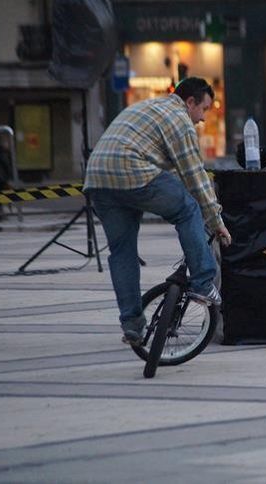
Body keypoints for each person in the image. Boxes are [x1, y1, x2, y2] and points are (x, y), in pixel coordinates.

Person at [84, 77, 232, 346]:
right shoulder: (179, 121)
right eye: (204, 109)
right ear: (190, 102)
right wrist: (215, 220)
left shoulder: (148, 108)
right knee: (188, 209)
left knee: (122, 252)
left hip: (97, 179)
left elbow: (171, 169)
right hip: (131, 170)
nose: (203, 118)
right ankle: (202, 281)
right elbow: (194, 176)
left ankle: (132, 325)